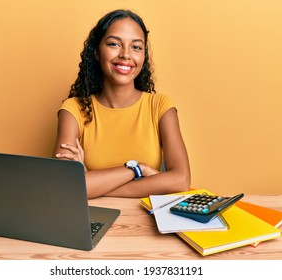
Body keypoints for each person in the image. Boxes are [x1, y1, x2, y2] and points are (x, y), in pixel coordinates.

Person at [53, 9, 190, 199]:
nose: (126, 54)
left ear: (144, 56)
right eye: (114, 44)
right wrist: (136, 170)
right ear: (97, 52)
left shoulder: (160, 106)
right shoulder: (73, 110)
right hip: (90, 221)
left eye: (136, 47)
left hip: (147, 222)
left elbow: (181, 180)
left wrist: (90, 184)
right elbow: (65, 184)